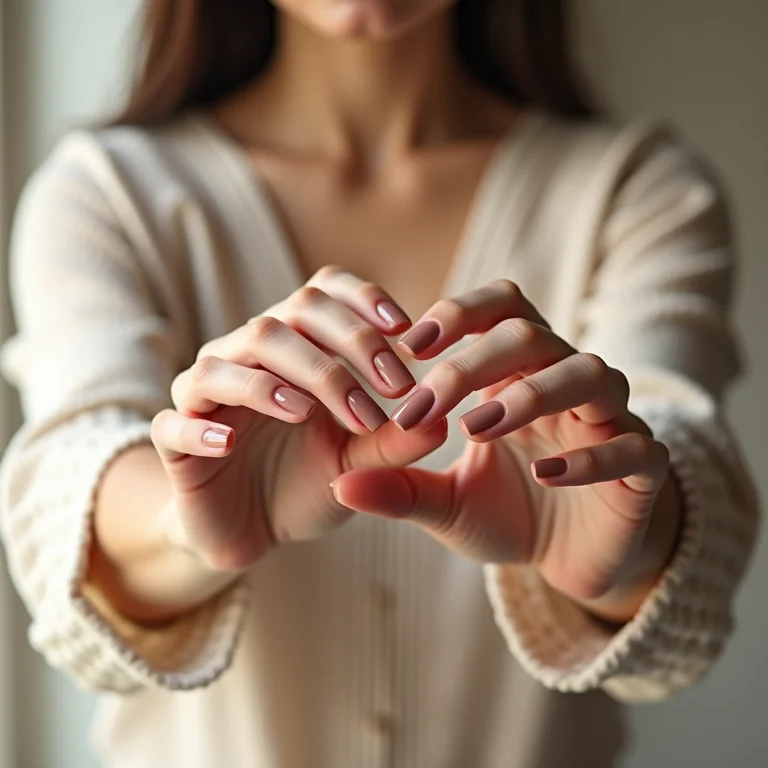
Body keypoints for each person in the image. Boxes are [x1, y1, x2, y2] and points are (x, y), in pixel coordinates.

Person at [0, 0, 759, 766]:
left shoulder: (636, 189)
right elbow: (71, 463)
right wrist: (184, 524)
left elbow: (681, 451)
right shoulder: (107, 190)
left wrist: (624, 544)